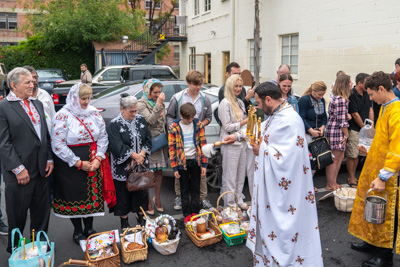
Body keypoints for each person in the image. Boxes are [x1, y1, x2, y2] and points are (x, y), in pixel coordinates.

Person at [224, 82, 323, 266]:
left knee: (285, 228)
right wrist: (237, 136)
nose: (258, 108)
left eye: (259, 103)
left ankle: (285, 258)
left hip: (287, 190)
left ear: (269, 99)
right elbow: (261, 128)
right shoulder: (278, 113)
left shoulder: (290, 120)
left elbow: (288, 159)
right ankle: (270, 255)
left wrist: (260, 149)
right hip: (273, 184)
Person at [348, 71, 400, 267]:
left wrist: (383, 176)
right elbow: (385, 140)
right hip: (376, 169)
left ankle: (385, 255)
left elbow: (397, 147)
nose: (370, 98)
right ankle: (371, 241)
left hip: (389, 176)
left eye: (371, 94)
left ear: (381, 89)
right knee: (373, 208)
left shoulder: (396, 111)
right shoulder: (387, 107)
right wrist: (369, 149)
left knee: (386, 213)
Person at [0, 67, 53, 252]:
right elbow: (3, 143)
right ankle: (16, 252)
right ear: (13, 85)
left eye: (32, 81)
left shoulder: (37, 103)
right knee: (18, 217)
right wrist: (18, 168)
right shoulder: (3, 107)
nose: (33, 84)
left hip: (41, 169)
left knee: (41, 214)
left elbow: (44, 135)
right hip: (19, 173)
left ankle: (39, 249)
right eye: (28, 82)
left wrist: (49, 159)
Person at [51, 83, 111, 245]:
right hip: (70, 164)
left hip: (92, 161)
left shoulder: (93, 113)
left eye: (88, 98)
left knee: (91, 197)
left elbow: (103, 137)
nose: (86, 101)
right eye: (82, 98)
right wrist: (77, 162)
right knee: (75, 196)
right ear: (73, 98)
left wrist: (98, 158)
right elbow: (57, 143)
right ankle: (77, 231)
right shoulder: (62, 115)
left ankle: (89, 228)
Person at [166, 70, 213, 210]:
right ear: (188, 83)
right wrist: (173, 129)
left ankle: (201, 199)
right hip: (181, 137)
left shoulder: (205, 98)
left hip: (196, 138)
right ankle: (180, 197)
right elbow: (169, 115)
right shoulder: (178, 97)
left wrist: (198, 126)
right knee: (181, 174)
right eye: (195, 85)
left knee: (199, 174)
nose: (198, 87)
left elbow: (208, 117)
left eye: (200, 84)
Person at [107, 94, 151, 229]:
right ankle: (124, 222)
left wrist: (142, 154)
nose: (134, 113)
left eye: (135, 110)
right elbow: (116, 145)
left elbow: (148, 138)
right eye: (131, 111)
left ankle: (141, 217)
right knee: (123, 195)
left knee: (140, 192)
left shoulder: (141, 120)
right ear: (122, 109)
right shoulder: (114, 124)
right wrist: (134, 156)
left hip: (140, 166)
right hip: (122, 167)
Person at [168, 103, 207, 217]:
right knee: (184, 190)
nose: (191, 120)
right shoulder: (174, 128)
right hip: (182, 163)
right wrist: (175, 168)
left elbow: (203, 144)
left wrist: (204, 165)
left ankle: (196, 214)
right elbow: (172, 149)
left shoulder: (198, 125)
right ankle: (187, 216)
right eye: (188, 118)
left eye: (192, 117)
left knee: (196, 189)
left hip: (196, 161)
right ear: (181, 115)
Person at [137, 79, 168, 215]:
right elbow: (150, 121)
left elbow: (163, 120)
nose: (158, 94)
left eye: (159, 92)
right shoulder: (141, 104)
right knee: (148, 173)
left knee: (159, 171)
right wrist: (159, 104)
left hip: (160, 141)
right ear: (147, 90)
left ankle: (157, 198)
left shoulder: (158, 101)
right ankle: (148, 201)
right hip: (148, 143)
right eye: (155, 92)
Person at [218, 74, 249, 209]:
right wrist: (244, 122)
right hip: (230, 144)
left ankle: (238, 200)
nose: (238, 88)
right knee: (229, 177)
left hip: (242, 142)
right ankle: (229, 205)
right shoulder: (225, 103)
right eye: (235, 86)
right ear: (230, 86)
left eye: (240, 86)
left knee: (241, 174)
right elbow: (227, 127)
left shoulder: (240, 102)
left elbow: (244, 125)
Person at [298, 81, 328, 192]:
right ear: (313, 91)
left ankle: (309, 182)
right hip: (308, 133)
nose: (321, 97)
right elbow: (301, 117)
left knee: (316, 161)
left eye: (322, 95)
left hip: (318, 133)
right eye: (319, 94)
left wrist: (323, 127)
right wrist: (310, 130)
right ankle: (305, 184)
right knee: (308, 160)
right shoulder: (305, 100)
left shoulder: (322, 100)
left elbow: (324, 116)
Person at [325, 75, 352, 191]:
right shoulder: (341, 99)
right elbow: (341, 121)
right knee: (335, 159)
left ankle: (333, 183)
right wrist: (346, 135)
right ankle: (330, 184)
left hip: (334, 129)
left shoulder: (337, 98)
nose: (352, 84)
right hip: (337, 131)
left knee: (339, 158)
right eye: (349, 82)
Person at [346, 73, 372, 188]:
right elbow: (355, 114)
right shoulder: (352, 95)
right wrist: (364, 129)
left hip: (365, 129)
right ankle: (351, 177)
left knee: (360, 154)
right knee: (353, 154)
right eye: (366, 81)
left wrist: (371, 127)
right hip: (355, 129)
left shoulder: (367, 93)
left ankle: (354, 176)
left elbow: (370, 109)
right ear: (360, 83)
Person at [24, 66, 56, 132]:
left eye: (35, 77)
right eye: (31, 78)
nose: (34, 80)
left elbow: (53, 116)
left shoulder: (44, 94)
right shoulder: (21, 97)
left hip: (48, 137)